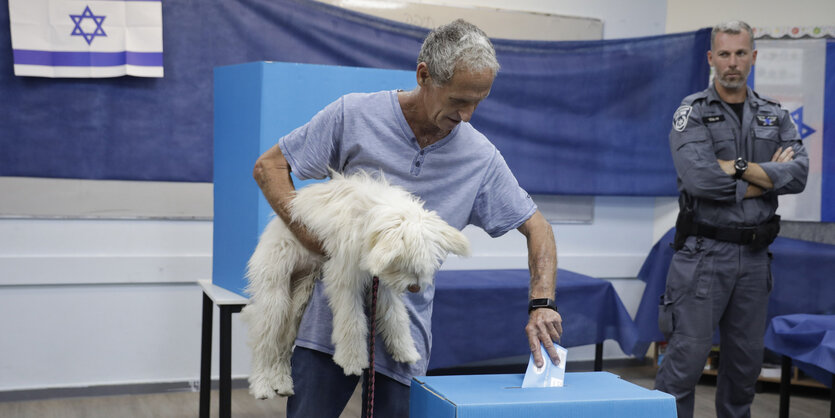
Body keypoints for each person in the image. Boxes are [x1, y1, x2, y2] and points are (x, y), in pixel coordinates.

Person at [252, 19, 562, 417]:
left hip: (404, 330)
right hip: (327, 322)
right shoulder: (354, 115)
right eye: (458, 101)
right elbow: (269, 167)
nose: (467, 115)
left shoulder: (480, 157)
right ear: (424, 75)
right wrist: (316, 240)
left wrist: (542, 304)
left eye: (478, 102)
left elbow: (538, 227)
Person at [655, 20, 809, 418]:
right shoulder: (692, 113)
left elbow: (800, 175)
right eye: (724, 54)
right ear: (711, 58)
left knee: (744, 372)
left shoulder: (776, 116)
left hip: (755, 261)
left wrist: (737, 167)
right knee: (683, 368)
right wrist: (766, 178)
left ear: (753, 57)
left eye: (741, 53)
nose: (733, 63)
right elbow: (701, 180)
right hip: (703, 257)